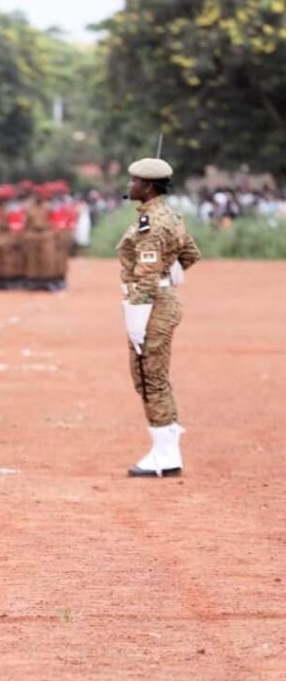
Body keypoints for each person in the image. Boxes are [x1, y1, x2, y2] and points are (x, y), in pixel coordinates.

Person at [120, 158, 201, 477]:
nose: (130, 186)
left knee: (150, 377)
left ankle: (165, 454)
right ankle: (166, 447)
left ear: (149, 187)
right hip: (160, 299)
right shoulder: (169, 215)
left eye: (135, 182)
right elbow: (191, 254)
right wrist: (173, 268)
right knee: (151, 377)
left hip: (151, 304)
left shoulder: (152, 222)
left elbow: (147, 276)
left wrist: (136, 320)